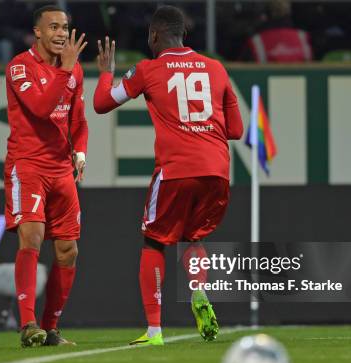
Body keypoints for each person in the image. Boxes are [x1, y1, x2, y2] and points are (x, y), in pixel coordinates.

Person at [93, 5, 244, 345]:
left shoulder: (148, 69)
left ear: (154, 35)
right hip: (217, 170)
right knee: (194, 237)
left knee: (155, 240)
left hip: (177, 169)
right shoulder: (216, 68)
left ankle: (155, 330)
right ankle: (199, 292)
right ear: (184, 34)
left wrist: (106, 72)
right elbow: (235, 129)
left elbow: (102, 103)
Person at [3, 5, 88, 348]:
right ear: (37, 31)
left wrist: (79, 151)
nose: (61, 34)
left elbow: (78, 120)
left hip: (61, 170)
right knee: (33, 237)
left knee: (68, 250)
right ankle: (27, 324)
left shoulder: (74, 71)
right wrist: (65, 71)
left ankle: (50, 328)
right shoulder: (19, 66)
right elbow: (40, 107)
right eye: (53, 27)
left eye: (64, 27)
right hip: (28, 165)